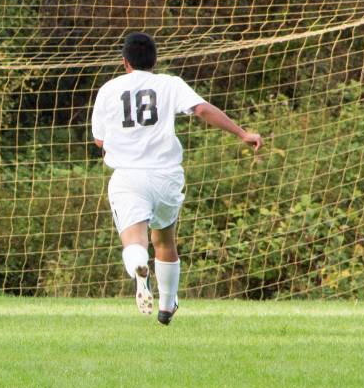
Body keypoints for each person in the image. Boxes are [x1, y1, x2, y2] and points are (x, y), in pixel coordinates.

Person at [90, 33, 262, 325]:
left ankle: (139, 267)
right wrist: (243, 133)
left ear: (125, 62)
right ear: (155, 61)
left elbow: (99, 140)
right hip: (166, 176)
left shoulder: (109, 89)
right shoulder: (170, 83)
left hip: (129, 176)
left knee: (135, 240)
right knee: (165, 240)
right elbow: (202, 110)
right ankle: (167, 306)